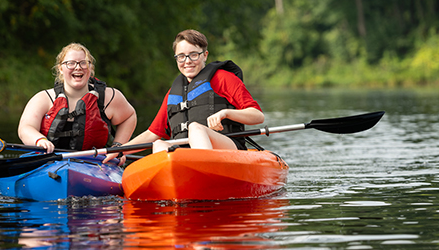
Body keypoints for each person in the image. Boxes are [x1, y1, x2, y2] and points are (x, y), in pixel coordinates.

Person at [105, 29, 264, 160]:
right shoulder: (173, 93)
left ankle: (207, 172)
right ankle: (177, 184)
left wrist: (226, 113)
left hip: (227, 149)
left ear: (205, 55)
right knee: (159, 145)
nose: (187, 61)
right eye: (181, 56)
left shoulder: (223, 78)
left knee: (196, 128)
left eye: (193, 54)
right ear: (176, 59)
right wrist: (120, 151)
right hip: (188, 155)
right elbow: (152, 133)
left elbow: (257, 116)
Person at [17, 43, 137, 165]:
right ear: (60, 68)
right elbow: (25, 128)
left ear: (90, 68)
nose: (78, 67)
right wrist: (39, 140)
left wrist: (118, 147)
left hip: (97, 164)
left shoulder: (109, 97)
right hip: (50, 162)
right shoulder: (44, 99)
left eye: (83, 63)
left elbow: (129, 116)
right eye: (71, 63)